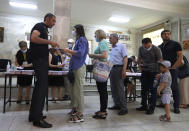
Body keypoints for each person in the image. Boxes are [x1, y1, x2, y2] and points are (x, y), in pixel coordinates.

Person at [29, 13, 58, 128]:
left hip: (41, 60)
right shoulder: (40, 26)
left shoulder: (44, 29)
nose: (54, 23)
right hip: (40, 61)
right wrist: (49, 42)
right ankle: (38, 119)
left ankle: (33, 115)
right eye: (53, 21)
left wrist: (50, 49)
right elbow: (33, 38)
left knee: (39, 88)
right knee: (42, 88)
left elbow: (39, 44)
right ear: (47, 19)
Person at [62, 24, 88, 123]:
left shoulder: (82, 39)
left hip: (79, 67)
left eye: (73, 29)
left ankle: (80, 113)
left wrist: (68, 50)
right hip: (74, 67)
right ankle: (75, 108)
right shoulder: (78, 40)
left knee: (78, 89)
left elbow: (80, 53)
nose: (73, 31)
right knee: (73, 90)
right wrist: (67, 52)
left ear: (77, 30)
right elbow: (76, 55)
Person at [158, 30, 183, 114]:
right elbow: (160, 58)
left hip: (173, 69)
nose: (167, 35)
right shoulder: (160, 46)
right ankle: (163, 103)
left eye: (168, 34)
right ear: (161, 36)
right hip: (163, 70)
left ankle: (176, 107)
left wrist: (174, 67)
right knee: (163, 87)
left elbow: (180, 57)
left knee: (174, 87)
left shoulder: (176, 44)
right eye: (165, 34)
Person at [136, 38, 162, 115]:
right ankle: (144, 105)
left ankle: (151, 108)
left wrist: (159, 72)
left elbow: (160, 60)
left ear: (150, 43)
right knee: (143, 89)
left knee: (153, 90)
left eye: (147, 46)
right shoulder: (141, 48)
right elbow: (139, 58)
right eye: (144, 46)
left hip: (154, 72)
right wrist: (139, 66)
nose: (145, 47)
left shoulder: (156, 49)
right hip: (144, 72)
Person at [89, 29, 109, 119]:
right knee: (102, 91)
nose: (94, 36)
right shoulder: (102, 42)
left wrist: (93, 55)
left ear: (98, 35)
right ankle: (102, 109)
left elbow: (104, 55)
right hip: (101, 68)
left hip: (101, 68)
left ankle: (103, 111)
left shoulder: (103, 42)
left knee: (103, 91)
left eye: (95, 34)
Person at [108, 33, 128, 115]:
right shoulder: (112, 47)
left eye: (110, 38)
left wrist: (124, 70)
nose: (109, 39)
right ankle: (117, 104)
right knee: (113, 88)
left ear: (116, 38)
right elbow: (112, 60)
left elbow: (125, 58)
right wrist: (108, 69)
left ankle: (124, 108)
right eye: (109, 38)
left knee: (120, 89)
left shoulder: (121, 46)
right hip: (112, 69)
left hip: (119, 68)